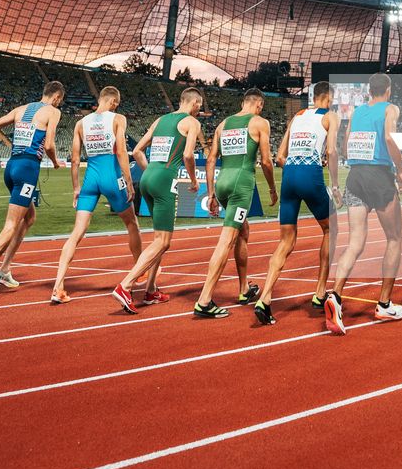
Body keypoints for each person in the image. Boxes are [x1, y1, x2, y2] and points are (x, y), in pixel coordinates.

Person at [327, 73, 402, 330]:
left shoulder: (356, 112)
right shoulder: (391, 109)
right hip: (379, 176)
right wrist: (400, 171)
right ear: (387, 89)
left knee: (355, 243)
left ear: (369, 91)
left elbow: (344, 144)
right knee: (394, 238)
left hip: (355, 177)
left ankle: (336, 295)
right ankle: (384, 304)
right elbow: (389, 138)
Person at [251, 81, 341, 327]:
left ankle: (265, 299)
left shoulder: (297, 116)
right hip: (310, 176)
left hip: (289, 177)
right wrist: (334, 186)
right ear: (329, 97)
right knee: (330, 230)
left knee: (285, 241)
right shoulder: (331, 116)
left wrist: (298, 165)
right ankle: (320, 292)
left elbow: (280, 157)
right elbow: (331, 152)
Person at [0, 82, 66, 301]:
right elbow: (49, 145)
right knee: (11, 225)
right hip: (27, 169)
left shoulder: (21, 109)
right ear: (57, 97)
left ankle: (4, 270)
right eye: (60, 99)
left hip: (11, 167)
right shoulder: (53, 111)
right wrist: (55, 162)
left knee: (29, 217)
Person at [48, 86, 144, 304]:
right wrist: (129, 182)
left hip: (90, 178)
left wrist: (75, 188)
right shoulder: (118, 118)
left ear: (100, 100)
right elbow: (120, 151)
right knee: (132, 224)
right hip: (112, 177)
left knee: (76, 233)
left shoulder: (81, 124)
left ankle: (58, 286)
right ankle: (140, 270)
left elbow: (74, 159)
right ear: (114, 102)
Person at [190, 90, 279, 318]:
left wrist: (210, 193)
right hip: (241, 185)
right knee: (227, 239)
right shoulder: (260, 122)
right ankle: (204, 300)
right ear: (258, 104)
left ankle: (243, 289)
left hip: (222, 184)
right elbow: (267, 162)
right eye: (262, 105)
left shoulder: (224, 124)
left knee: (243, 230)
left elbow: (211, 159)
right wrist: (271, 188)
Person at [115, 87, 204, 312]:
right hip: (166, 179)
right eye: (199, 106)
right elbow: (187, 155)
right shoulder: (191, 123)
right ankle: (126, 285)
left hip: (147, 178)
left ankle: (151, 290)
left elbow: (136, 151)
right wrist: (193, 180)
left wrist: (151, 172)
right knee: (163, 241)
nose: (199, 110)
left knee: (158, 241)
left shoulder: (160, 120)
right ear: (193, 102)